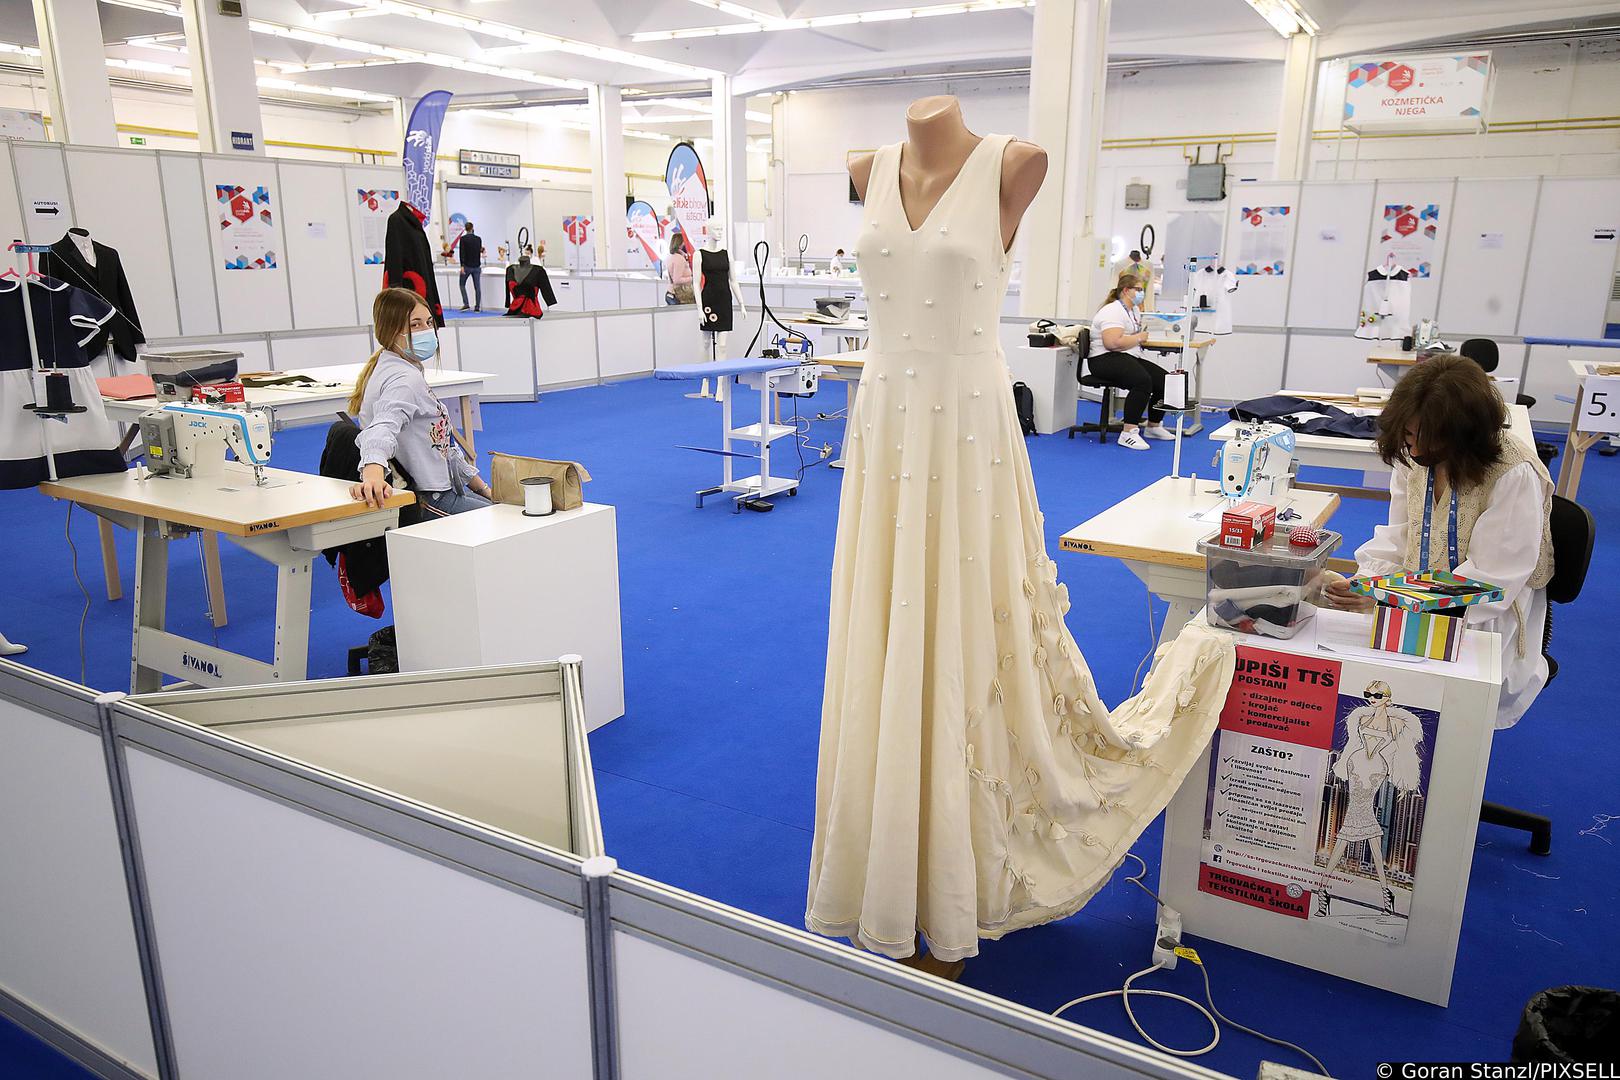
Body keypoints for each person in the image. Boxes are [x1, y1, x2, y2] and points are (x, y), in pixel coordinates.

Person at [1324, 354, 1554, 728]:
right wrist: (1367, 582)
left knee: (1449, 720)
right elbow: (1400, 534)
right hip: (1413, 601)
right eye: (1409, 436)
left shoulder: (1513, 474)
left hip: (1483, 615)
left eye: (1427, 439)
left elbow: (1489, 583)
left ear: (1464, 435)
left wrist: (1389, 597)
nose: (1414, 450)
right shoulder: (1415, 458)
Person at [350, 288, 493, 517]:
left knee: (505, 512)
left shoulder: (398, 368)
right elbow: (381, 428)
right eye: (415, 325)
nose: (426, 330)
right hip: (429, 498)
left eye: (428, 322)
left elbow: (442, 447)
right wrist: (373, 474)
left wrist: (483, 489)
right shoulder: (405, 380)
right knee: (508, 524)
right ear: (391, 331)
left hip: (441, 489)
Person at [1086, 273, 1175, 450]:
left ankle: (1153, 426)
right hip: (1103, 359)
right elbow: (1112, 343)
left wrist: (1137, 338)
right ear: (1126, 290)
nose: (1142, 293)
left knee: (1165, 381)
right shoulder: (1112, 311)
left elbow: (1127, 339)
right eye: (1138, 289)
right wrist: (1139, 337)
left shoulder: (1133, 310)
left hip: (1124, 355)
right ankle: (1128, 432)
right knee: (1142, 381)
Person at [457, 222, 484, 312]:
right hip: (477, 266)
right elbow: (479, 250)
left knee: (462, 284)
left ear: (465, 229)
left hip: (467, 266)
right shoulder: (478, 239)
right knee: (477, 287)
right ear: (472, 228)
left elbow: (462, 253)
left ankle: (466, 304)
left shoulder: (463, 239)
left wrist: (462, 265)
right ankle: (477, 307)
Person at [667, 232, 694, 305]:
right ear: (680, 243)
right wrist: (692, 278)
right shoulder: (679, 259)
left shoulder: (672, 257)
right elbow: (677, 280)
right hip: (680, 294)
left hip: (672, 292)